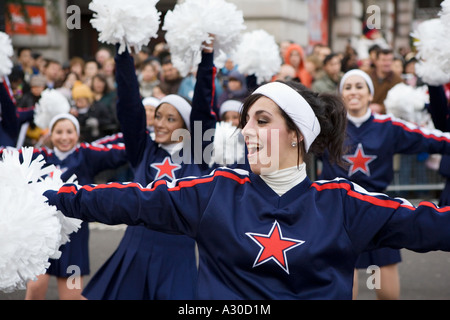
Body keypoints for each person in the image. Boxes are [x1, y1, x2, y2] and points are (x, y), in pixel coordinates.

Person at [44, 79, 450, 300]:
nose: (246, 131)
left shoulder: (343, 203)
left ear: (296, 135)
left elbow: (430, 226)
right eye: (246, 121)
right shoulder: (215, 191)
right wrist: (52, 197)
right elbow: (132, 200)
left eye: (261, 120)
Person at [75, 40, 218, 300]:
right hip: (136, 248)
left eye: (170, 119)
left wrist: (206, 58)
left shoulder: (198, 153)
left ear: (187, 127)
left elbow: (204, 107)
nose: (160, 124)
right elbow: (129, 106)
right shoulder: (143, 148)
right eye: (159, 116)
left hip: (178, 255)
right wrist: (124, 56)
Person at [318, 69, 450, 300]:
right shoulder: (327, 127)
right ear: (340, 96)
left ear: (371, 94)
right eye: (347, 87)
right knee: (344, 291)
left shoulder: (388, 126)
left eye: (360, 86)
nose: (353, 92)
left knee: (386, 292)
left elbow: (431, 139)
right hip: (338, 214)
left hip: (377, 212)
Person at [0, 104, 128, 299]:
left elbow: (120, 152)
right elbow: (8, 155)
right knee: (34, 289)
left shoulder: (86, 154)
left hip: (75, 243)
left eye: (70, 131)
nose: (64, 137)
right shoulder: (41, 157)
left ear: (77, 134)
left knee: (72, 296)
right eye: (59, 132)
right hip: (43, 239)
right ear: (51, 134)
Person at [368, 49, 403, 114]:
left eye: (390, 60)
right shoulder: (366, 75)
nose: (387, 63)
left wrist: (381, 108)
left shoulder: (398, 80)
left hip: (386, 117)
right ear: (376, 61)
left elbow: (401, 103)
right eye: (384, 60)